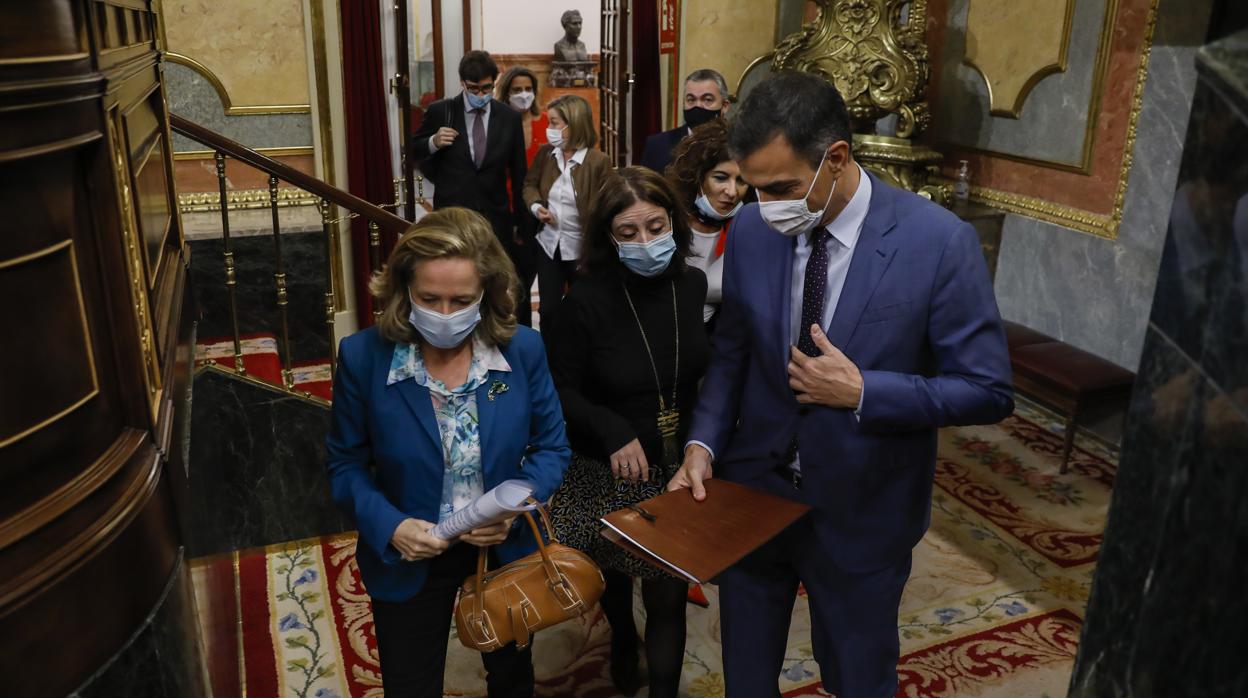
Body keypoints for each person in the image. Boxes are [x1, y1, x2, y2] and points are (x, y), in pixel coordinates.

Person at [667, 71, 1014, 698]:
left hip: (864, 506)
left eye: (781, 188)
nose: (763, 203)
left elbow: (987, 389)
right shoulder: (753, 229)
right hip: (754, 492)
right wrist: (703, 443)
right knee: (745, 673)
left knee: (857, 677)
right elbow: (732, 354)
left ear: (836, 158)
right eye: (752, 186)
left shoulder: (939, 243)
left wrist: (865, 392)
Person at [326, 208, 571, 698]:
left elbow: (551, 447)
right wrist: (391, 526)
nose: (443, 314)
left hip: (502, 548)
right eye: (428, 299)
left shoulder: (522, 350)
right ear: (404, 291)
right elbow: (345, 465)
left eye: (460, 301)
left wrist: (515, 508)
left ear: (488, 293)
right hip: (410, 552)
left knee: (512, 681)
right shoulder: (363, 356)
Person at [545, 167, 710, 697]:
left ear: (674, 224)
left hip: (674, 467)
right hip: (605, 464)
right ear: (607, 238)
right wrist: (611, 428)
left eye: (656, 227)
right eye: (628, 232)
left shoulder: (693, 285)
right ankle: (620, 636)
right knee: (613, 576)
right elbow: (558, 389)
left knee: (667, 594)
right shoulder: (583, 300)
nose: (645, 241)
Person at [411, 51, 531, 324]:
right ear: (463, 83)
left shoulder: (508, 117)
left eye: (486, 88)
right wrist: (433, 142)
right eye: (474, 88)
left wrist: (521, 224)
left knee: (495, 281)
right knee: (456, 279)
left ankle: (494, 328)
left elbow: (519, 174)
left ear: (495, 82)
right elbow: (414, 149)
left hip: (495, 214)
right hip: (452, 214)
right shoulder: (442, 111)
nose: (480, 94)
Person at [522, 94, 613, 323]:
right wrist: (536, 207)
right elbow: (530, 184)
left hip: (583, 249)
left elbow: (608, 204)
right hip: (549, 245)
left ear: (574, 125)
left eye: (554, 123)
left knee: (584, 309)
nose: (549, 129)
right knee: (548, 311)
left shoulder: (598, 161)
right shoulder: (546, 154)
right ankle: (550, 345)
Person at [665, 118, 749, 328]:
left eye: (741, 181)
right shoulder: (666, 225)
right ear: (697, 176)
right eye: (720, 178)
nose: (732, 192)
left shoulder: (748, 232)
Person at [639, 68, 730, 174]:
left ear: (724, 106)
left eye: (707, 100)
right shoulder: (657, 145)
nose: (698, 106)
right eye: (691, 100)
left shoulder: (738, 146)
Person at [496, 66, 549, 165]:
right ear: (506, 94)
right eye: (517, 90)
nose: (524, 95)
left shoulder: (548, 122)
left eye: (528, 89)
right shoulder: (496, 124)